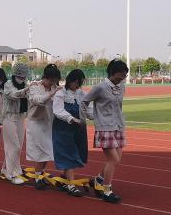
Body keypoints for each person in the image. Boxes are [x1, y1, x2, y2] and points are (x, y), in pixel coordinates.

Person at [82, 59, 129, 203]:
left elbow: (118, 106)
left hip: (118, 126)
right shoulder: (100, 87)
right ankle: (107, 191)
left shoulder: (121, 87)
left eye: (125, 75)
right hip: (104, 128)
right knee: (113, 160)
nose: (122, 78)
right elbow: (84, 102)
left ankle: (98, 180)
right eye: (121, 75)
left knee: (116, 160)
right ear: (112, 73)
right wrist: (89, 117)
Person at [51, 69, 90, 197]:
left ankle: (64, 178)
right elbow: (58, 110)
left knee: (77, 153)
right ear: (70, 80)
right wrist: (72, 119)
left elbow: (89, 110)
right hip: (63, 129)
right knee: (69, 154)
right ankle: (71, 185)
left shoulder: (82, 94)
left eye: (80, 83)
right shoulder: (61, 94)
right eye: (76, 82)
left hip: (78, 129)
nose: (78, 85)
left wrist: (97, 116)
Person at [25, 64, 61, 186]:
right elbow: (36, 100)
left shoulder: (54, 88)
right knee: (41, 152)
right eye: (51, 80)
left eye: (55, 81)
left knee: (48, 152)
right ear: (45, 77)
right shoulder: (34, 87)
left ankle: (40, 174)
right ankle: (38, 177)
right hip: (36, 123)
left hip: (49, 123)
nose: (52, 83)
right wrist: (51, 94)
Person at [0, 61, 30, 185]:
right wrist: (26, 90)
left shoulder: (25, 84)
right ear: (16, 74)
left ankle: (6, 168)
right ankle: (11, 173)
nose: (22, 78)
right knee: (14, 146)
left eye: (24, 76)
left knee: (18, 146)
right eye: (20, 75)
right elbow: (13, 95)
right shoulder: (8, 84)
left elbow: (30, 99)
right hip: (9, 117)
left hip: (21, 117)